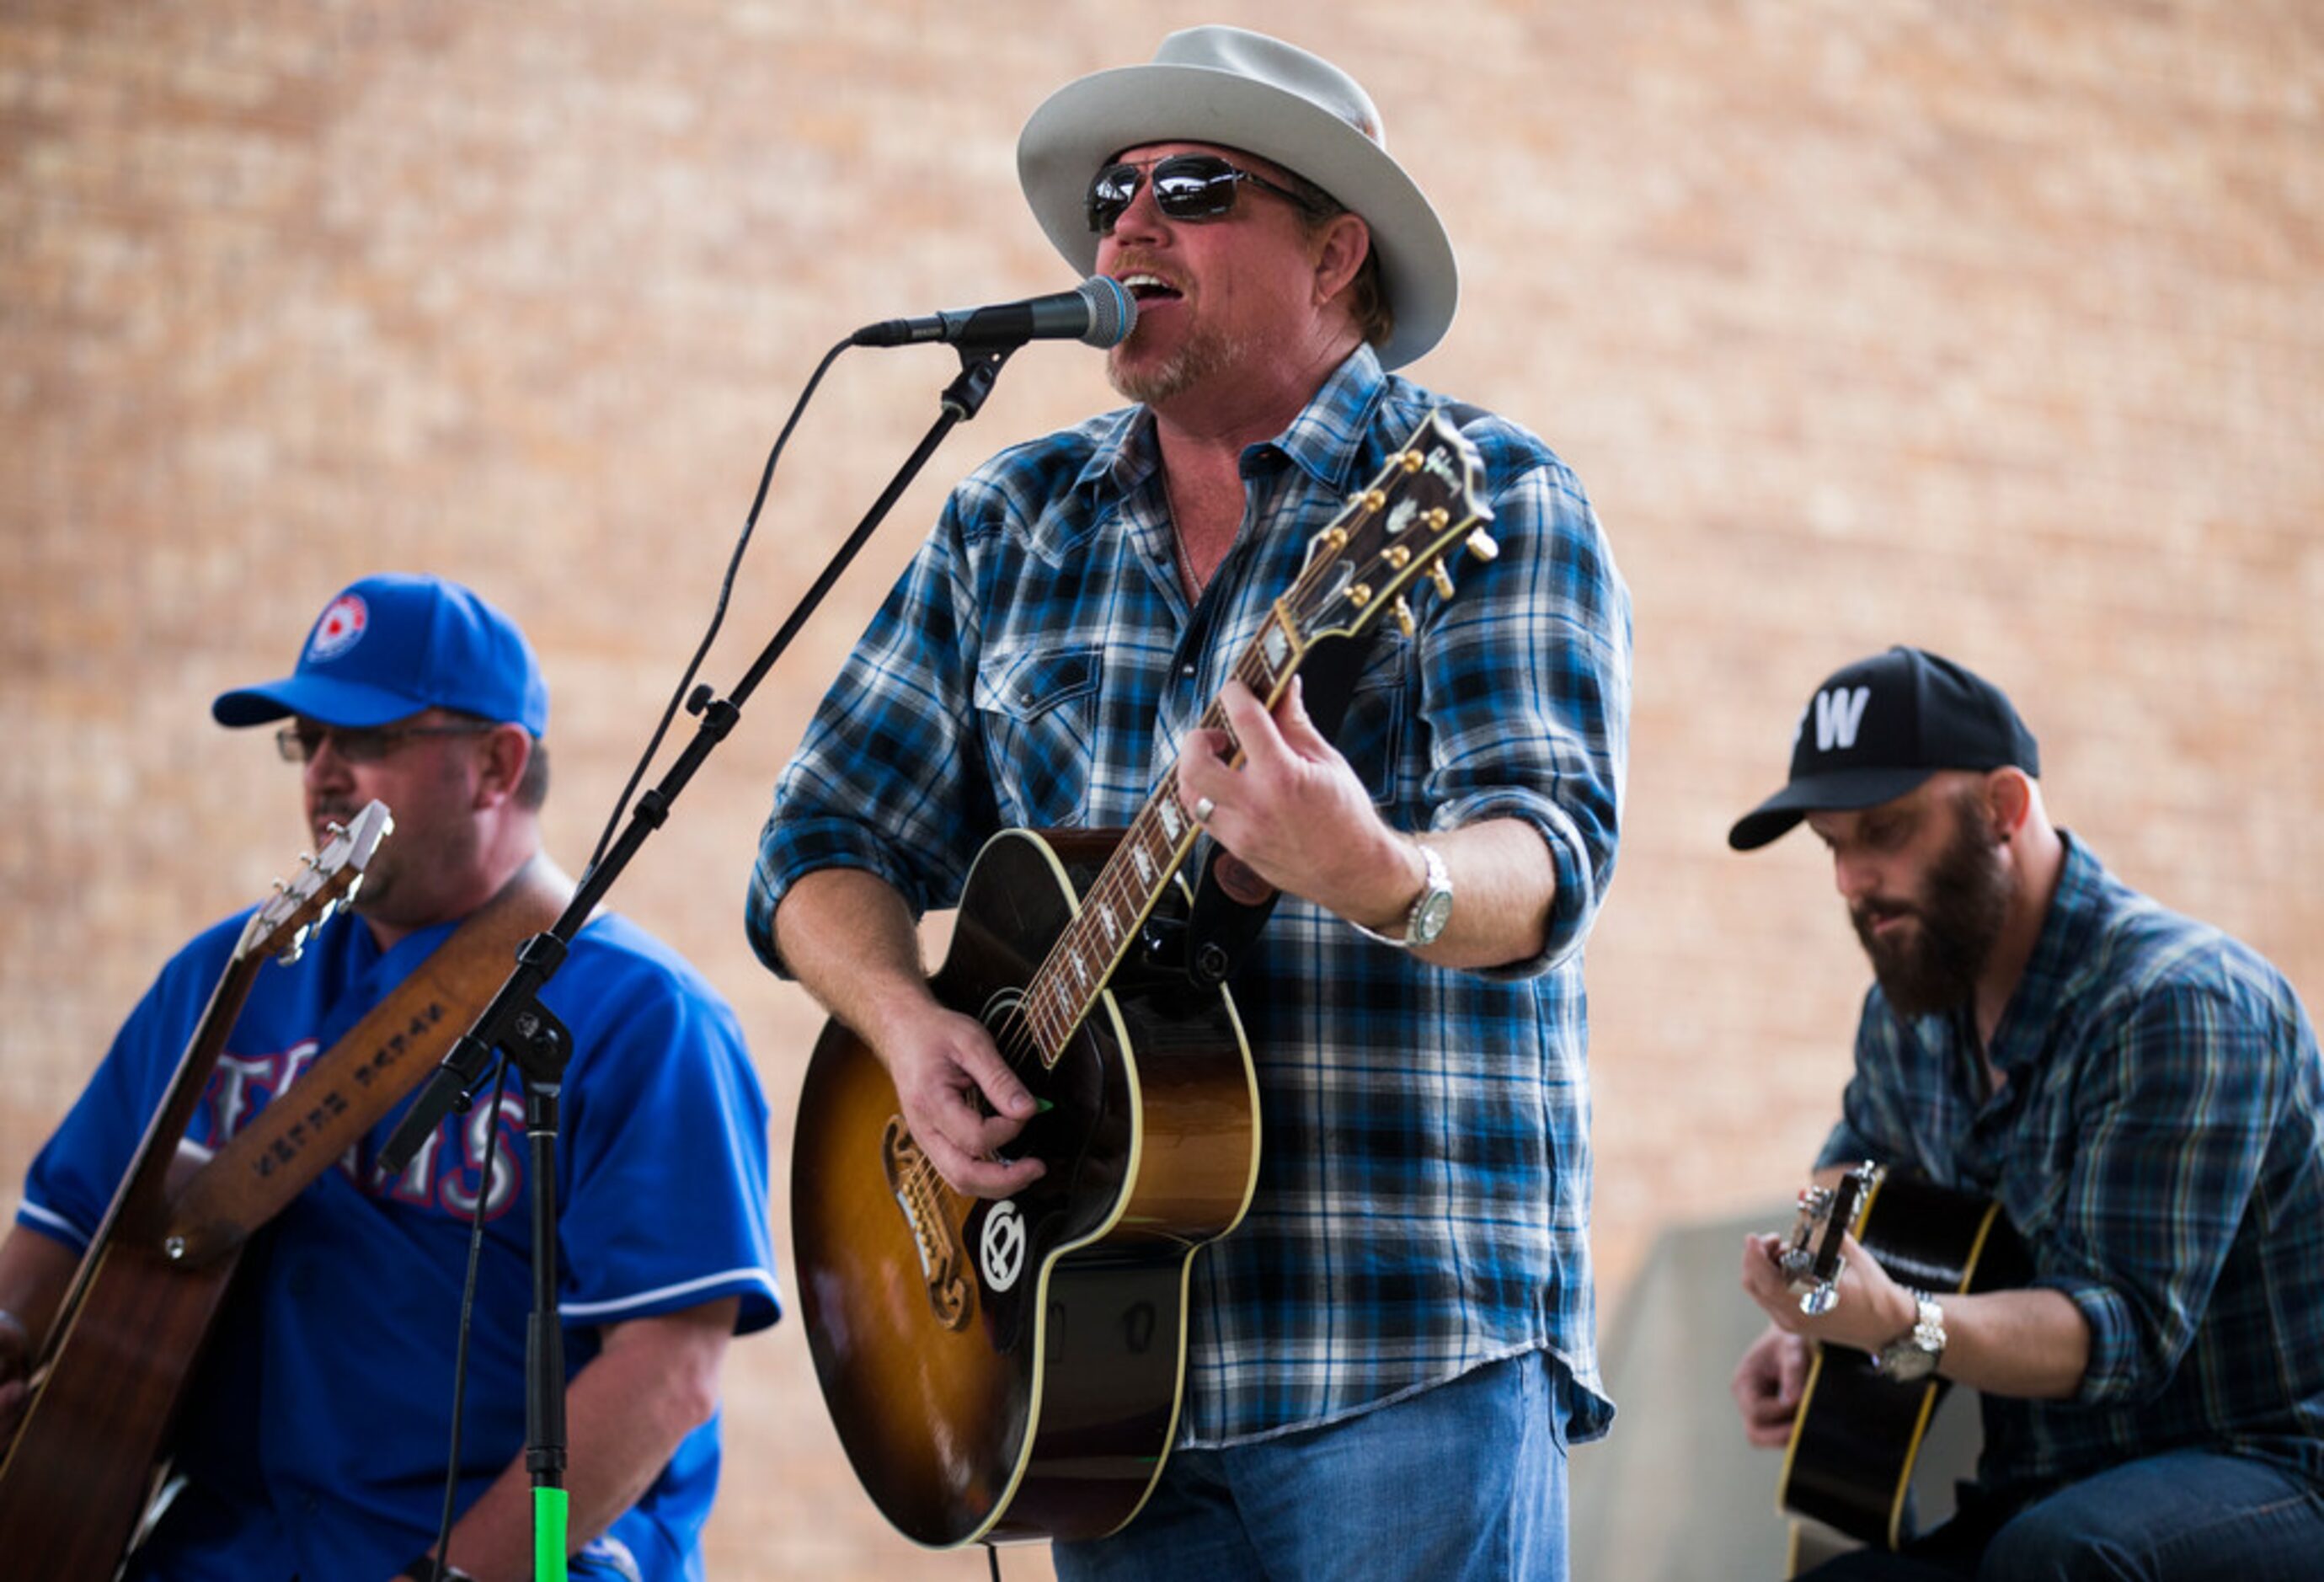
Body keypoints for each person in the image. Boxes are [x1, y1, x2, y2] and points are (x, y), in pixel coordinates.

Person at [749, 25, 1628, 1580]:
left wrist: (1367, 869)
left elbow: (1543, 857)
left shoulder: (1480, 489)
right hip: (1092, 1369)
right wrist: (905, 1022)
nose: (1128, 226)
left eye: (1195, 188)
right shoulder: (1008, 520)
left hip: (1397, 1344)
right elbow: (817, 843)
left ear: (1334, 252)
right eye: (1111, 195)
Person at [0, 573, 781, 1582]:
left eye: (365, 740)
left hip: (503, 1565)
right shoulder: (226, 978)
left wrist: (455, 1576)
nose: (323, 771)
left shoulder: (643, 1017)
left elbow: (667, 1372)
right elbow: (60, 1232)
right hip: (221, 1554)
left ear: (497, 765)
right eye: (305, 740)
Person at [1727, 644, 2324, 1579]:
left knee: (2058, 1558)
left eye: (1884, 831)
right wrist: (1811, 1319)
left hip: (2267, 1467)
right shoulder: (1908, 1007)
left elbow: (2115, 1332)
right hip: (2035, 1490)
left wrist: (1895, 1325)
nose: (1850, 881)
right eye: (1832, 845)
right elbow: (1856, 1176)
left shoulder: (2179, 1004)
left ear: (2002, 808)